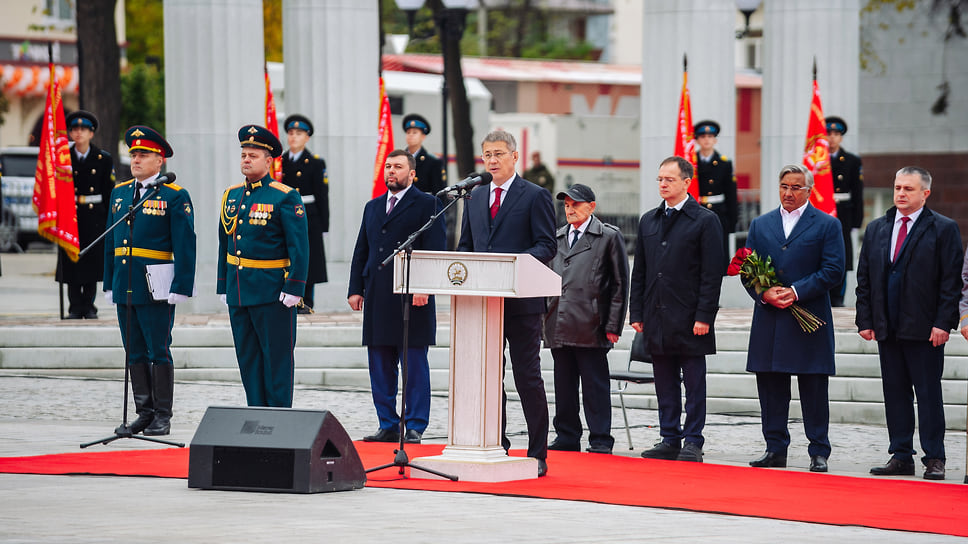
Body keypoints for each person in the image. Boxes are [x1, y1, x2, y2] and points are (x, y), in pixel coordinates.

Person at [457, 129, 556, 477]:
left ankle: (537, 450)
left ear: (515, 156)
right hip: (483, 304)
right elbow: (466, 246)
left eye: (499, 154)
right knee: (488, 376)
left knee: (526, 375)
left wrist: (512, 265)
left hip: (522, 303)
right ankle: (495, 441)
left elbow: (547, 245)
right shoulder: (475, 196)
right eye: (487, 155)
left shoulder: (535, 196)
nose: (493, 161)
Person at [856, 166, 961, 481]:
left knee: (929, 395)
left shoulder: (943, 229)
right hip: (887, 328)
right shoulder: (877, 228)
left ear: (925, 193)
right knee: (895, 394)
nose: (901, 193)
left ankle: (935, 457)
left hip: (926, 329)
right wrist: (865, 319)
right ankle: (901, 455)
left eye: (908, 189)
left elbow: (951, 282)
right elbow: (865, 278)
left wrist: (944, 322)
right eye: (898, 187)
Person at [744, 164, 844, 473]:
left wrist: (796, 291)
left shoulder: (827, 225)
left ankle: (818, 450)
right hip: (771, 319)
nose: (789, 192)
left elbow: (833, 270)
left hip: (808, 318)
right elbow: (748, 268)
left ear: (809, 190)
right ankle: (775, 448)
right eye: (784, 186)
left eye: (796, 187)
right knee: (771, 387)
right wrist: (764, 293)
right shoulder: (761, 225)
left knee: (813, 388)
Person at [103, 125, 197, 436]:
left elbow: (185, 243)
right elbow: (111, 242)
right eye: (134, 154)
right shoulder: (120, 193)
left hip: (155, 284)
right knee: (134, 350)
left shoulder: (173, 195)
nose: (137, 160)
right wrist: (108, 282)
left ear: (160, 161)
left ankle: (162, 415)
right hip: (124, 282)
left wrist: (182, 286)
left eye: (144, 155)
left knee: (158, 348)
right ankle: (143, 412)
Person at [348, 149, 446, 444]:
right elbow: (361, 249)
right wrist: (355, 288)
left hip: (410, 297)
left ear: (412, 173)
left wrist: (425, 287)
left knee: (413, 364)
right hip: (378, 294)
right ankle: (387, 424)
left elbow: (435, 250)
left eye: (399, 167)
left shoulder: (429, 204)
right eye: (388, 166)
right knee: (379, 363)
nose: (392, 171)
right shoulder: (373, 206)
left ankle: (415, 424)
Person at [629, 156, 724, 463]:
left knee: (694, 383)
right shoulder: (649, 220)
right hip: (657, 316)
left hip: (690, 317)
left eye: (669, 179)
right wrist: (637, 314)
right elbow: (640, 271)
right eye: (659, 179)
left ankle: (693, 439)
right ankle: (670, 437)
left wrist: (704, 316)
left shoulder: (705, 220)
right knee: (665, 382)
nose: (663, 184)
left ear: (686, 182)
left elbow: (712, 274)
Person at [217, 125, 309, 408]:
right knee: (248, 358)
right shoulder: (231, 195)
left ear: (269, 161)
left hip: (272, 293)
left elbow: (300, 247)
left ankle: (279, 417)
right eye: (244, 154)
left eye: (253, 155)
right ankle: (256, 411)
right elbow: (225, 245)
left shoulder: (284, 196)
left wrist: (295, 287)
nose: (246, 159)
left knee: (276, 360)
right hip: (240, 292)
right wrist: (224, 285)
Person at [544, 183, 628, 455]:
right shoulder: (556, 238)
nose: (570, 209)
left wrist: (613, 325)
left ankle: (601, 438)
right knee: (564, 385)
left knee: (595, 385)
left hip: (592, 323)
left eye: (576, 204)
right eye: (566, 205)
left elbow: (619, 284)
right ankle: (567, 435)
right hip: (559, 321)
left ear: (591, 207)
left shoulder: (607, 237)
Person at [57, 110, 115, 319]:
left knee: (91, 261)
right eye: (74, 129)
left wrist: (109, 220)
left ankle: (89, 305)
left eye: (83, 129)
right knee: (71, 261)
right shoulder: (64, 159)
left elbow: (108, 191)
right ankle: (74, 306)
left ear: (92, 133)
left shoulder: (103, 158)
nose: (78, 133)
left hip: (94, 217)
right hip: (70, 215)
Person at [281, 114, 329, 313]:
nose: (294, 137)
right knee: (286, 255)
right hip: (284, 214)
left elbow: (322, 195)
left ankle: (306, 300)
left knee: (308, 257)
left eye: (298, 134)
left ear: (307, 137)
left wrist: (324, 225)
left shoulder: (315, 163)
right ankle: (286, 297)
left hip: (308, 214)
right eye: (291, 133)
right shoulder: (279, 161)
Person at [825, 116, 864, 307]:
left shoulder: (851, 161)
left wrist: (857, 220)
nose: (832, 138)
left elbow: (857, 192)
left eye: (836, 134)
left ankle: (838, 296)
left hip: (842, 214)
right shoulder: (815, 159)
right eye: (828, 134)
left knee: (841, 255)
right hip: (822, 212)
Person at [693, 120, 738, 273]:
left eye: (710, 136)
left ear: (715, 140)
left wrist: (732, 221)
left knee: (717, 255)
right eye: (703, 136)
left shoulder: (724, 164)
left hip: (718, 213)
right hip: (696, 211)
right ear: (697, 140)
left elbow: (731, 194)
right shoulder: (690, 162)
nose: (706, 139)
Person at [402, 113, 445, 196]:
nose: (410, 135)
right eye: (408, 132)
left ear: (423, 137)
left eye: (415, 132)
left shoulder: (433, 162)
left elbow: (439, 193)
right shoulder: (399, 160)